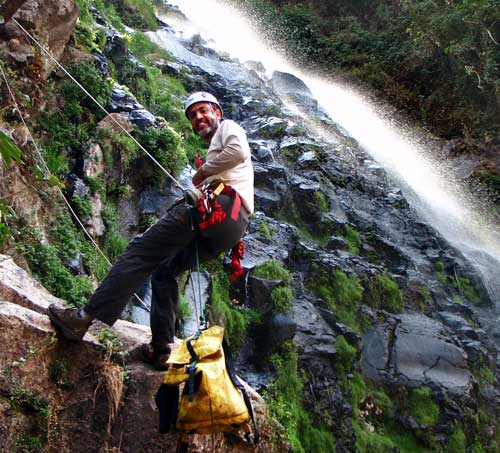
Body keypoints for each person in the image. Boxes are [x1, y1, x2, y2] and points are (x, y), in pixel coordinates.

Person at [48, 92, 254, 370]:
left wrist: (202, 172)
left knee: (140, 252)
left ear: (217, 112)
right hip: (232, 226)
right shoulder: (218, 144)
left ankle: (82, 319)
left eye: (203, 111)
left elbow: (238, 152)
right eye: (192, 116)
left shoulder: (229, 127)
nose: (198, 118)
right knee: (165, 270)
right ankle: (161, 350)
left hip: (216, 206)